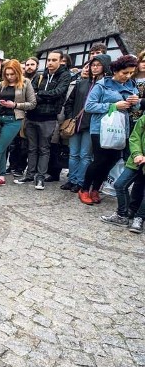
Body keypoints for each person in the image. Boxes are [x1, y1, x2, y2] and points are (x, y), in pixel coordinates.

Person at [79, 55, 141, 205]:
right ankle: (84, 189)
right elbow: (89, 106)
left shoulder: (131, 85)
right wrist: (113, 106)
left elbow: (135, 108)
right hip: (100, 128)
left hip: (121, 128)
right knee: (99, 160)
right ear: (115, 70)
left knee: (111, 160)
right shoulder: (102, 85)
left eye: (131, 73)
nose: (128, 76)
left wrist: (136, 103)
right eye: (124, 72)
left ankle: (96, 189)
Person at [15, 50, 70, 190]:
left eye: (54, 60)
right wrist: (41, 96)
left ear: (60, 61)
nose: (50, 63)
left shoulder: (65, 76)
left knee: (44, 149)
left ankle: (40, 177)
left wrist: (40, 94)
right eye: (49, 60)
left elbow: (58, 93)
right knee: (31, 148)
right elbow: (31, 93)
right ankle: (30, 174)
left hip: (49, 118)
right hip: (32, 116)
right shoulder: (40, 76)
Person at [0, 60, 36, 187]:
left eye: (12, 74)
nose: (10, 77)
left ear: (17, 72)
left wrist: (15, 105)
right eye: (7, 74)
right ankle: (1, 176)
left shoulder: (26, 83)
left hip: (14, 120)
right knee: (2, 148)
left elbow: (32, 103)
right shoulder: (1, 84)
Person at [61, 56, 110, 193]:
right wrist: (71, 117)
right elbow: (69, 102)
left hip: (91, 126)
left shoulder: (106, 85)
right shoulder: (81, 83)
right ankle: (72, 180)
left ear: (104, 66)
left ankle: (80, 182)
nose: (94, 67)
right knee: (73, 154)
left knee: (85, 156)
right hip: (76, 124)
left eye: (98, 65)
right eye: (92, 65)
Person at [99, 115, 145, 233]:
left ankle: (139, 218)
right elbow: (135, 136)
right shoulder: (143, 118)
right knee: (120, 184)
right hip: (136, 161)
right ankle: (122, 215)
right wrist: (136, 154)